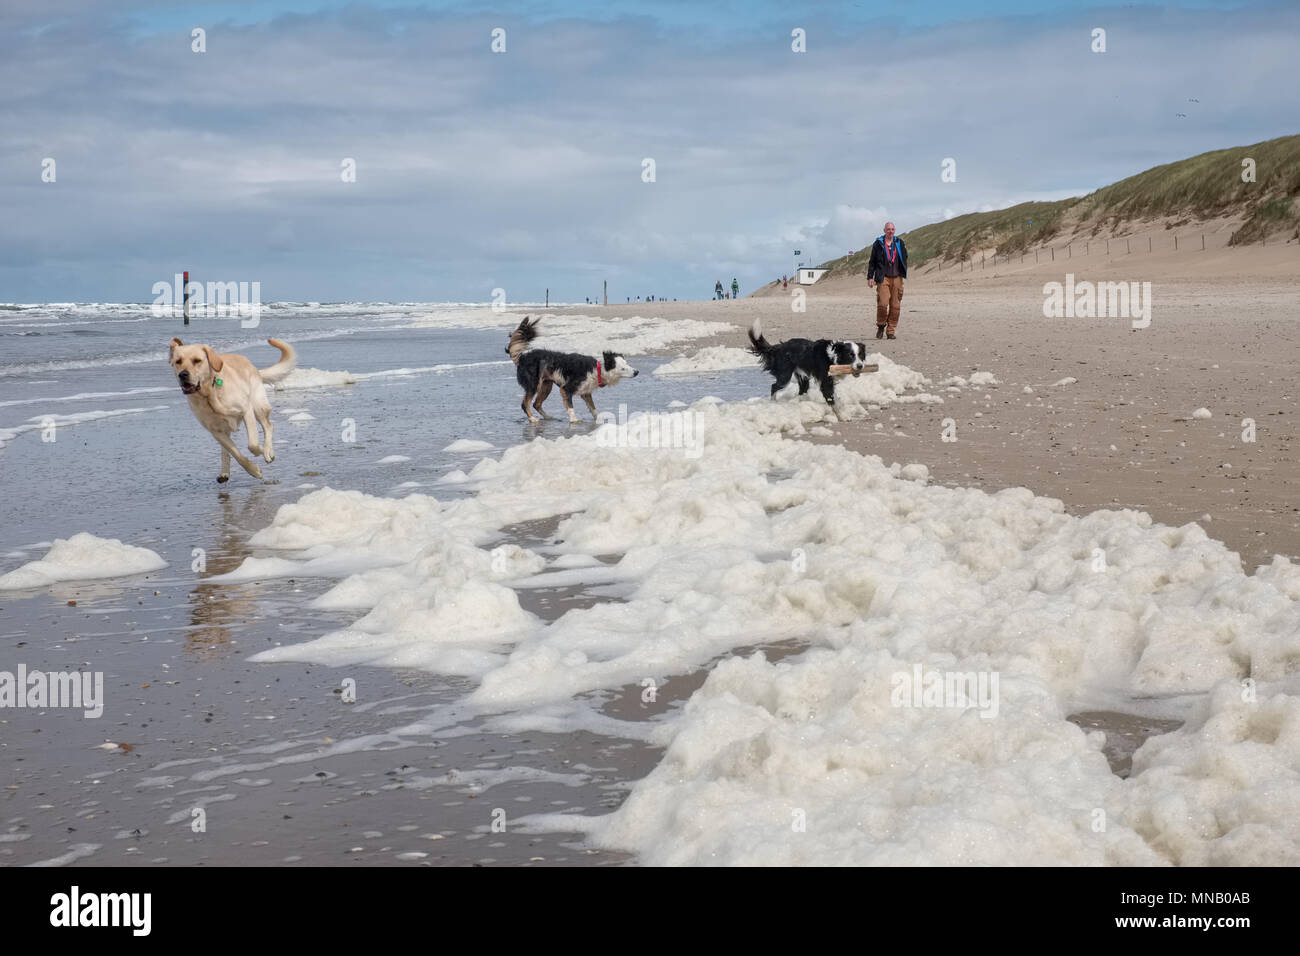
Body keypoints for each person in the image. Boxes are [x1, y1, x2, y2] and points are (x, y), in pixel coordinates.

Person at [867, 222, 908, 339]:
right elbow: (872, 262)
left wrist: (903, 271)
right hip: (883, 277)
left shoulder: (899, 243)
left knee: (895, 306)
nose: (890, 231)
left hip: (897, 277)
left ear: (894, 231)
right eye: (888, 229)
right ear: (884, 230)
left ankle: (891, 331)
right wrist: (870, 277)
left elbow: (905, 257)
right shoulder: (878, 244)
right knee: (883, 304)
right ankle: (880, 326)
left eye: (892, 229)